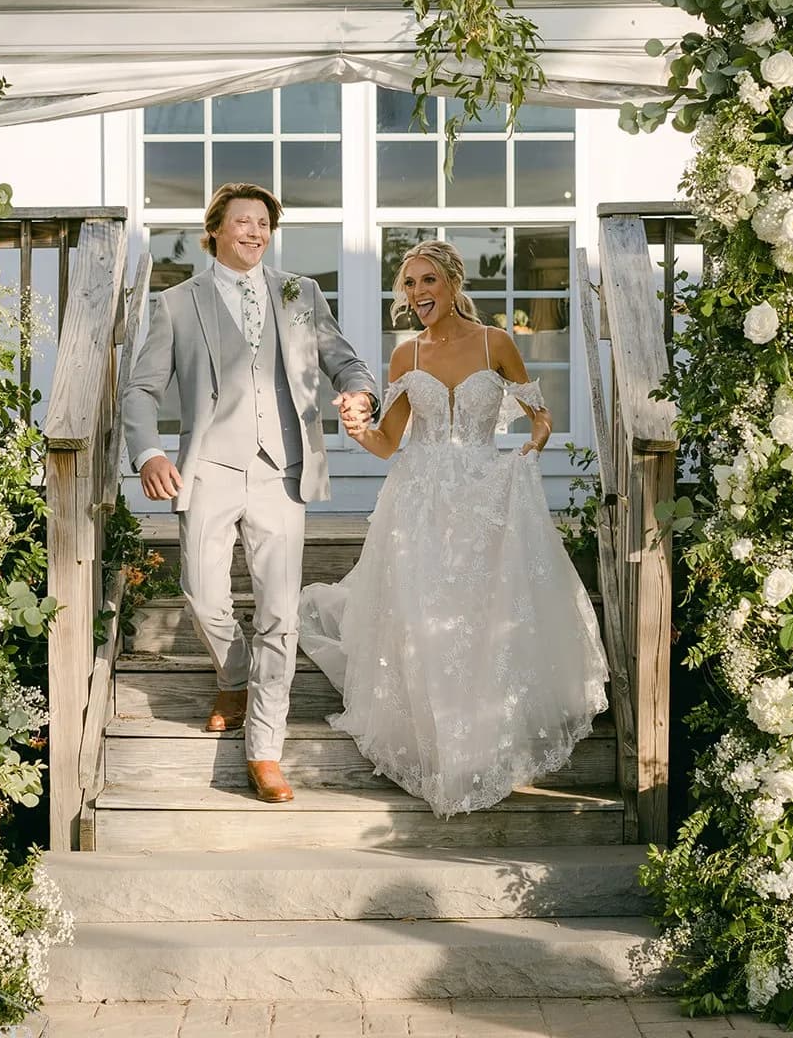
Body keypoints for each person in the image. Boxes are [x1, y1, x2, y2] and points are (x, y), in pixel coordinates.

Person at [299, 240, 608, 818]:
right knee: (423, 619)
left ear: (452, 282)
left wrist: (531, 448)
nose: (417, 295)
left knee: (477, 615)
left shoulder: (497, 343)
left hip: (485, 493)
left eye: (426, 282)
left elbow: (540, 416)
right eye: (408, 285)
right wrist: (356, 426)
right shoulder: (405, 358)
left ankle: (481, 740)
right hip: (418, 500)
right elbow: (388, 443)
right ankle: (439, 753)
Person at [123, 182, 378, 805]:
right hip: (208, 467)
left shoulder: (301, 293)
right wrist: (150, 451)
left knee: (279, 613)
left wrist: (359, 394)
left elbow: (347, 363)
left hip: (282, 470)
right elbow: (140, 390)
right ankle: (234, 675)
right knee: (203, 593)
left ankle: (265, 749)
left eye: (263, 222)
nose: (255, 232)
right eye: (242, 221)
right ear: (215, 229)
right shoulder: (176, 304)